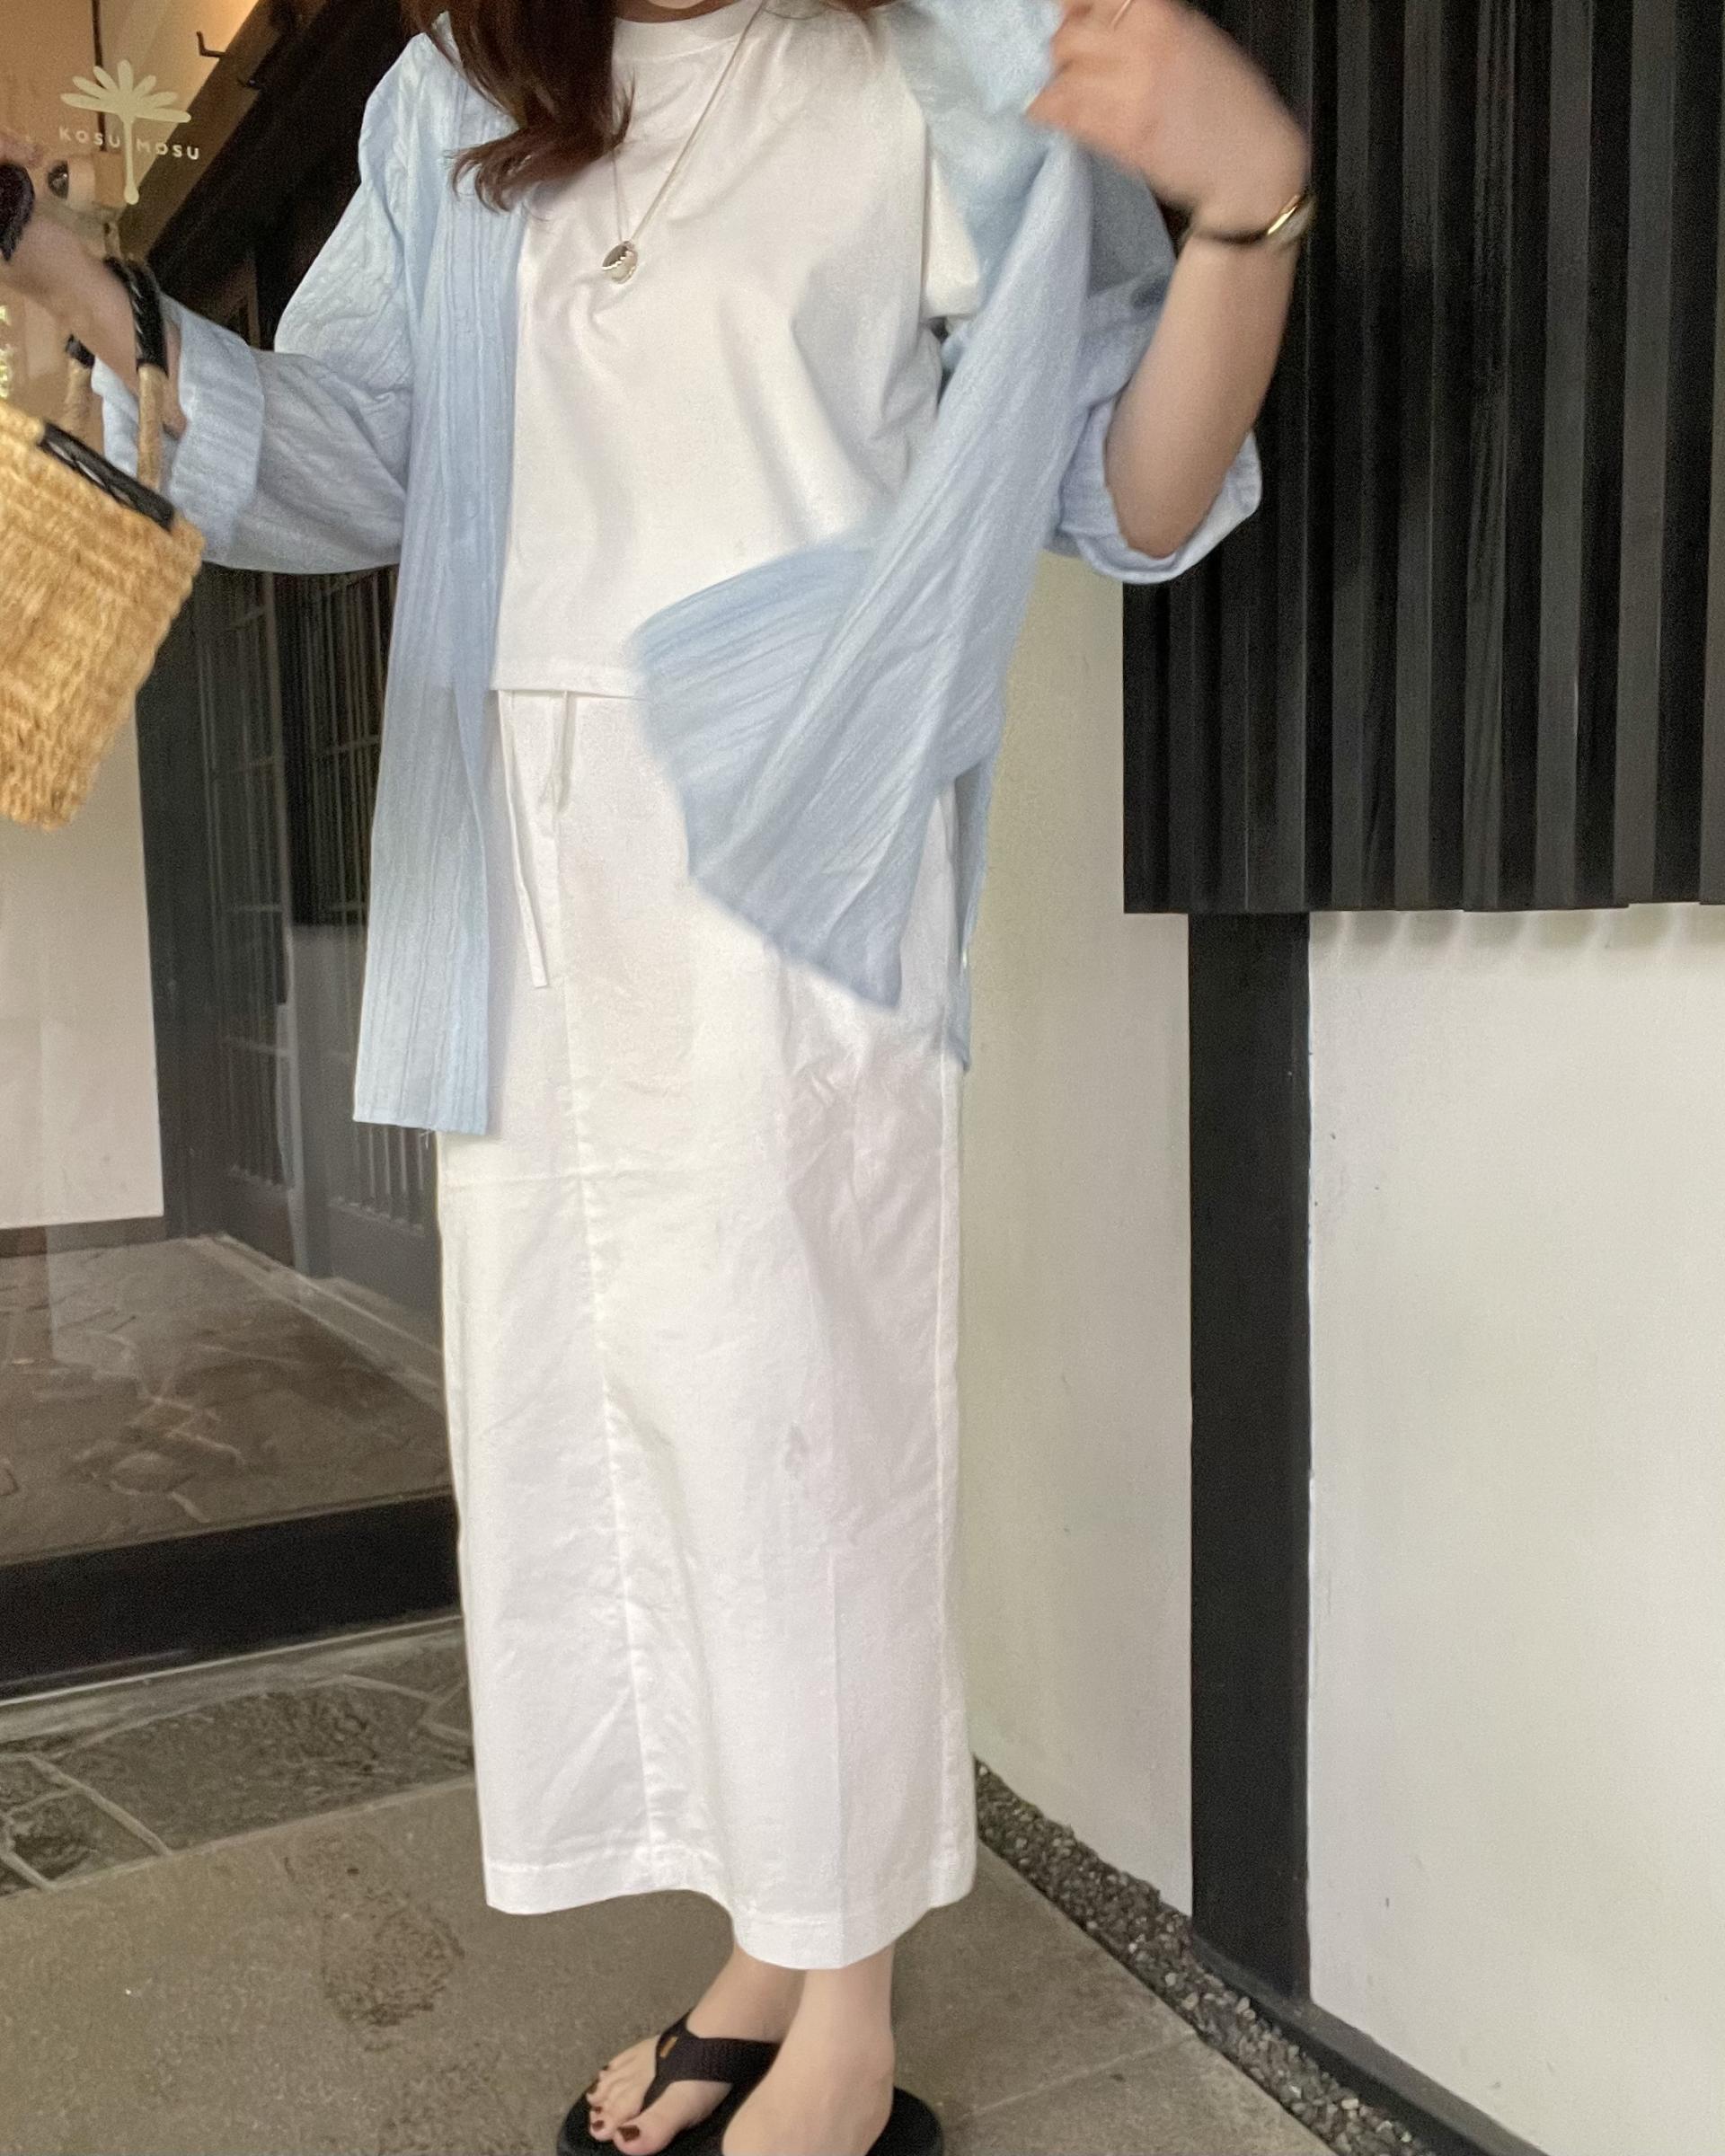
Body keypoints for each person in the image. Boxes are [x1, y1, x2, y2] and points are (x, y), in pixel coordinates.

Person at [0, 1, 1306, 2149]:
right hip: (517, 852)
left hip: (787, 854)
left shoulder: (946, 61)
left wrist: (1247, 212)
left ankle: (848, 2027)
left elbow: (1131, 492)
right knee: (614, 1439)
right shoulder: (462, 90)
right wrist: (67, 274)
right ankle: (769, 1943)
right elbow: (357, 458)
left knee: (800, 1434)